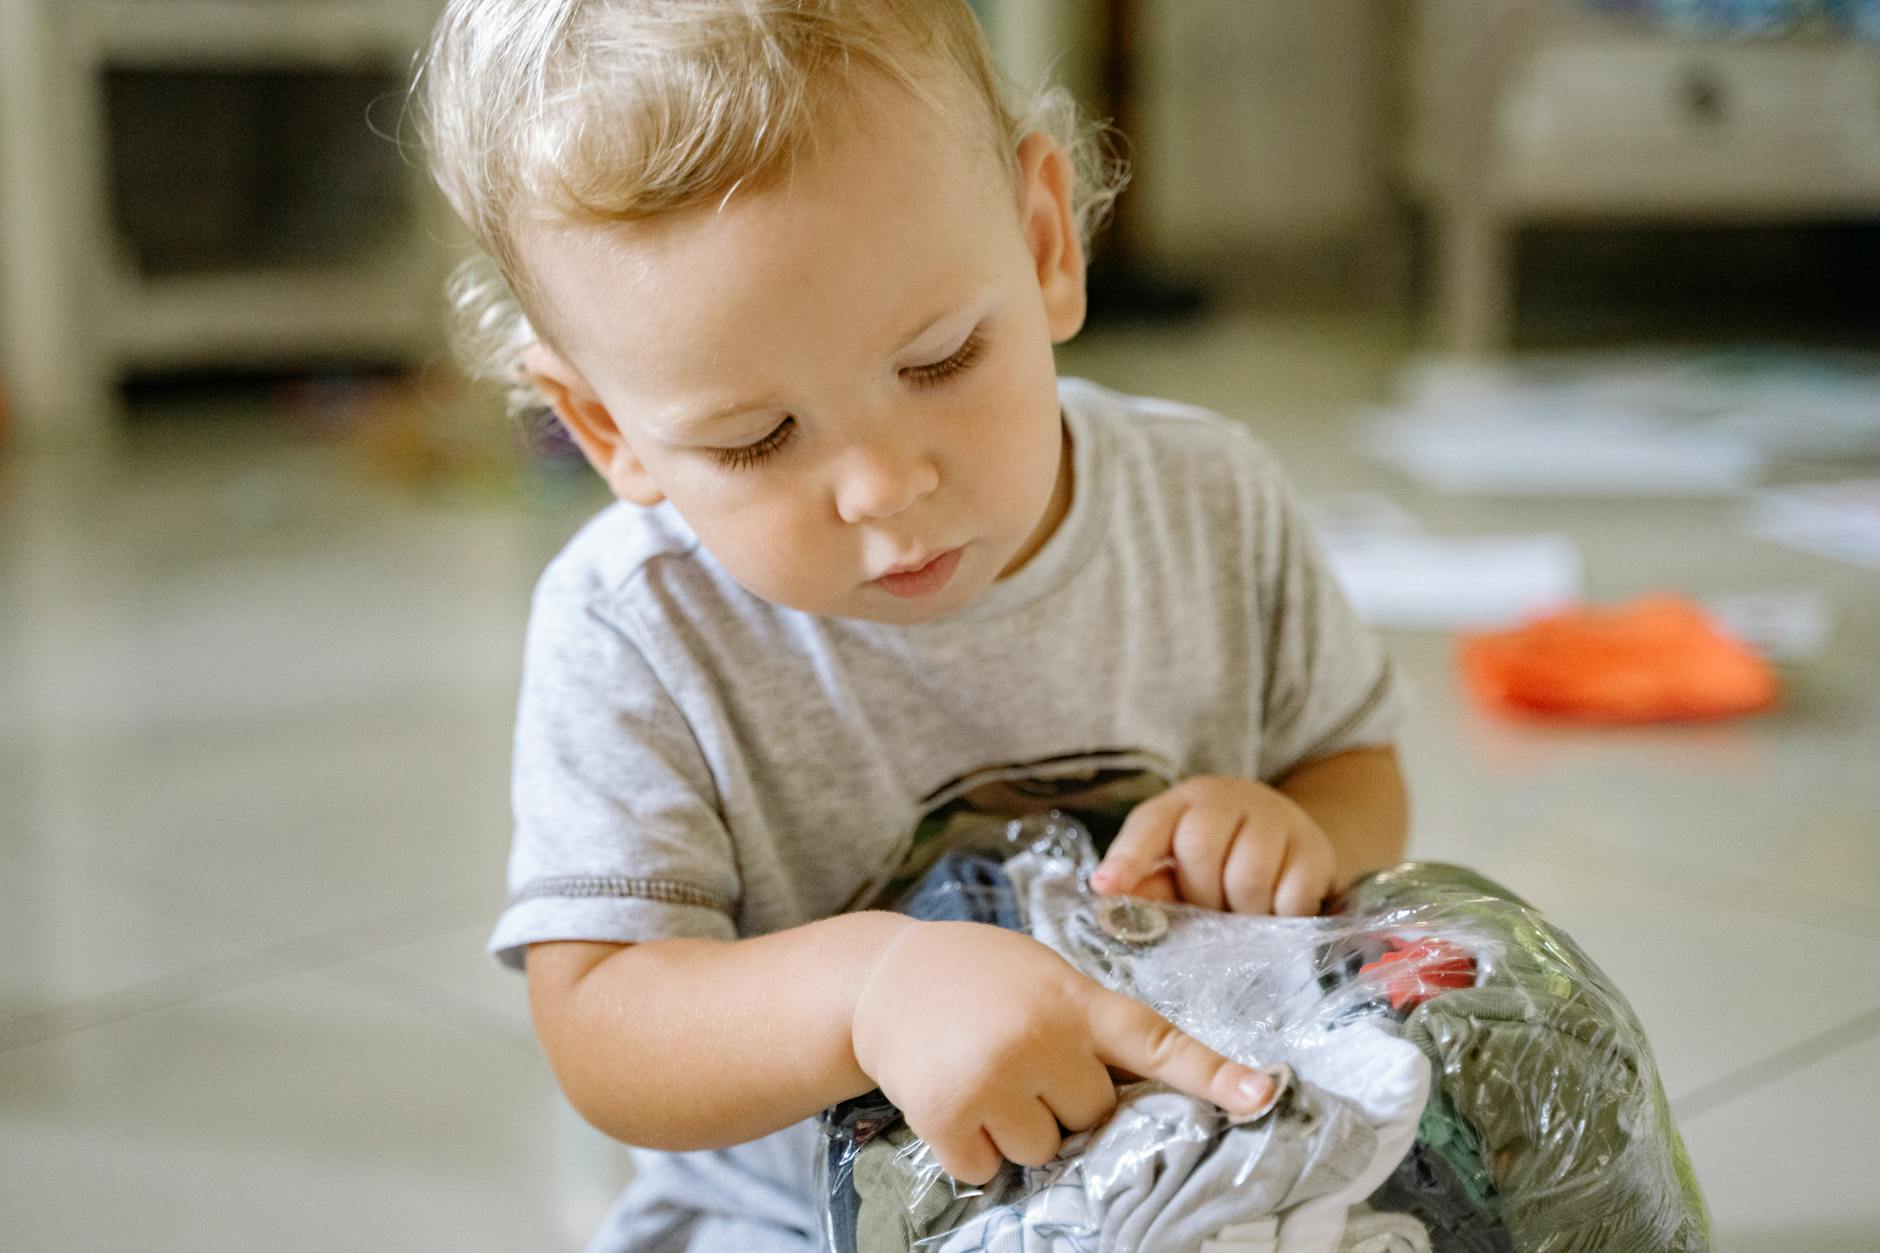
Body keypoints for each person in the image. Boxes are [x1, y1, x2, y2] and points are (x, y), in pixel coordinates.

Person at [417, 2, 1410, 1249]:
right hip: (792, 1219)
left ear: (1044, 241)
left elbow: (1354, 767)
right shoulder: (632, 626)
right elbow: (602, 1019)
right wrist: (863, 991)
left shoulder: (1208, 501)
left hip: (1203, 1164)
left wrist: (1293, 829)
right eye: (756, 439)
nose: (882, 486)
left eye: (938, 359)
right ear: (607, 430)